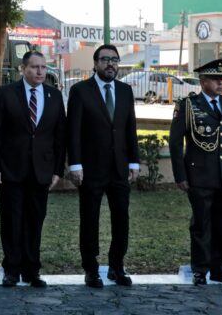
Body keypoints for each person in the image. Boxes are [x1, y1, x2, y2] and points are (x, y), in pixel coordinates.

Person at [0, 51, 66, 288]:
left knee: (35, 221)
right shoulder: (6, 93)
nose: (40, 71)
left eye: (43, 67)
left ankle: (32, 270)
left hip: (41, 171)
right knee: (11, 221)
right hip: (10, 170)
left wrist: (57, 170)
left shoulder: (54, 95)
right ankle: (11, 269)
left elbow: (60, 136)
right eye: (34, 67)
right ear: (23, 69)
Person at [169, 58, 222, 286]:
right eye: (215, 79)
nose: (220, 83)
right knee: (202, 225)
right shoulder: (188, 106)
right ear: (203, 81)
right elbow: (175, 143)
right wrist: (180, 176)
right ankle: (200, 269)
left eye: (221, 79)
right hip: (200, 176)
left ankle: (219, 268)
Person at [66, 44, 139, 288]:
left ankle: (117, 267)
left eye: (115, 60)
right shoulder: (80, 91)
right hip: (90, 169)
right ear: (95, 63)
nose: (111, 64)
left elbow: (130, 129)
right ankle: (91, 269)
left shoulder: (126, 91)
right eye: (105, 59)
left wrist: (134, 161)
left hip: (119, 168)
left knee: (122, 219)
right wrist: (75, 164)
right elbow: (73, 131)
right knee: (90, 219)